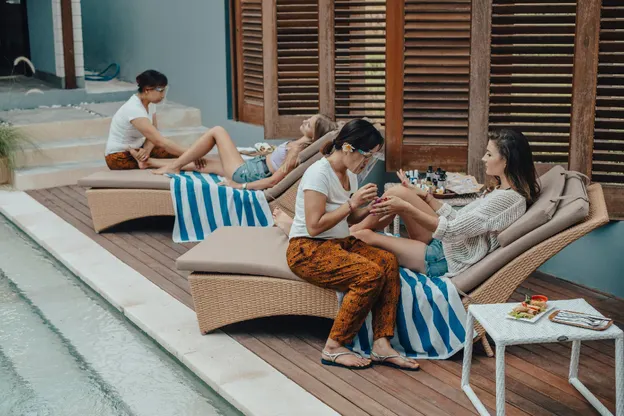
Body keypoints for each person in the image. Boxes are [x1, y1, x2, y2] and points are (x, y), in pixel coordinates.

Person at [285, 119, 420, 371]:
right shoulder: (318, 173)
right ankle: (333, 347)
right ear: (348, 147)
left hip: (338, 243)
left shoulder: (350, 175)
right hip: (308, 249)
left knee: (387, 261)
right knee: (369, 274)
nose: (367, 162)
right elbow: (314, 226)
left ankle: (381, 344)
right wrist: (352, 203)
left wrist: (369, 208)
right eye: (367, 156)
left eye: (372, 157)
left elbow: (349, 219)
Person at [350, 129, 540, 278]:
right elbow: (458, 219)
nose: (484, 158)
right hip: (446, 244)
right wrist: (426, 197)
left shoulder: (508, 199)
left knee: (364, 236)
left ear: (506, 161)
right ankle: (351, 232)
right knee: (398, 191)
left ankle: (351, 234)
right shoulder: (501, 191)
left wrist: (405, 207)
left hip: (444, 258)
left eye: (489, 155)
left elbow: (452, 230)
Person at [143, 115, 336, 191]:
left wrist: (238, 185)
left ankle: (174, 166)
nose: (305, 120)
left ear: (314, 135)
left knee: (217, 131)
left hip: (247, 174)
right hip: (252, 167)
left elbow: (273, 181)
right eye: (309, 118)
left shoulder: (295, 152)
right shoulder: (296, 145)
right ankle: (150, 162)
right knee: (203, 163)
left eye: (309, 124)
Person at [104, 70, 190, 170]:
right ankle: (148, 163)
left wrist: (146, 151)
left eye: (164, 90)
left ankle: (147, 161)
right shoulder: (134, 109)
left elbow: (153, 134)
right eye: (160, 90)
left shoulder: (150, 104)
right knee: (183, 159)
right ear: (147, 90)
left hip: (138, 149)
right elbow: (159, 140)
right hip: (118, 156)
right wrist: (191, 153)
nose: (163, 95)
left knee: (175, 154)